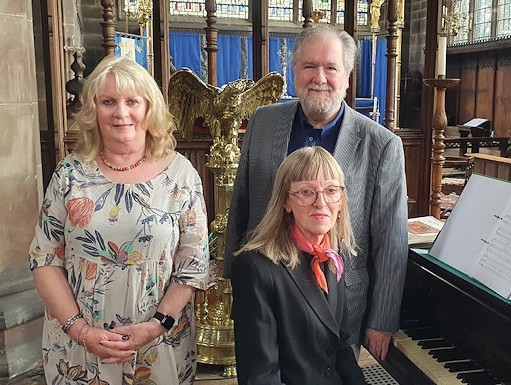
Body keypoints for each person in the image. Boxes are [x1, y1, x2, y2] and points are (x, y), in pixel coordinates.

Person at [224, 25, 408, 362]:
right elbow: (242, 204)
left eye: (331, 67)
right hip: (265, 302)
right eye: (309, 66)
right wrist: (232, 280)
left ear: (347, 77)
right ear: (294, 72)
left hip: (338, 310)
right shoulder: (262, 123)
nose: (318, 77)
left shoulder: (381, 145)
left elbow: (391, 241)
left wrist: (382, 320)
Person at [28, 55, 209, 385]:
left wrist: (155, 327)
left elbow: (193, 263)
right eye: (108, 102)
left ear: (149, 108)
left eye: (132, 101)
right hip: (78, 345)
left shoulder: (181, 174)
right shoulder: (70, 174)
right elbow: (44, 259)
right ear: (93, 110)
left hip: (159, 343)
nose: (121, 113)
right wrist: (81, 331)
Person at [231, 146, 367, 385]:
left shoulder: (332, 258)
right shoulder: (255, 268)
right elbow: (260, 377)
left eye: (331, 190)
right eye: (306, 192)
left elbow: (342, 350)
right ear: (286, 201)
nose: (321, 202)